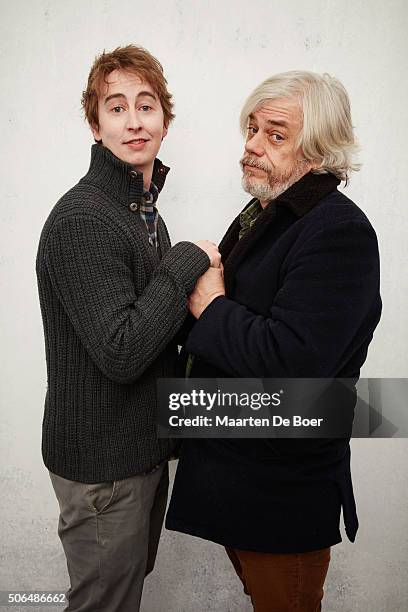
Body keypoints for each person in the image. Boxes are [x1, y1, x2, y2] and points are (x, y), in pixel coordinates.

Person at [166, 71, 382, 611]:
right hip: (244, 482)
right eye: (252, 129)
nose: (253, 146)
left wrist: (211, 305)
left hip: (282, 494)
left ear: (319, 151)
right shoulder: (269, 212)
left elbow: (295, 364)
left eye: (275, 135)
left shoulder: (337, 231)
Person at [36, 44, 220, 612]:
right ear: (95, 125)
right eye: (116, 108)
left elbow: (156, 325)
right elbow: (121, 350)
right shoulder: (84, 218)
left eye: (146, 105)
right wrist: (189, 260)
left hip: (133, 458)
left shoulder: (140, 210)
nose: (134, 120)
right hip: (102, 471)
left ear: (165, 118)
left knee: (120, 598)